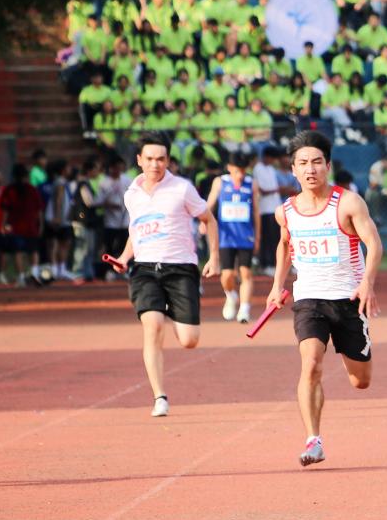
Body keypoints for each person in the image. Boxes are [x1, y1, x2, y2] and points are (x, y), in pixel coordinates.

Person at [266, 130, 383, 466]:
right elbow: (284, 244)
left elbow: (374, 244)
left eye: (317, 162)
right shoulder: (286, 211)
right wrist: (276, 285)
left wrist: (368, 283)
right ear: (293, 169)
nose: (310, 169)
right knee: (311, 364)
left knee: (360, 381)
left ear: (328, 165)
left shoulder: (348, 203)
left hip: (348, 299)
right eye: (303, 163)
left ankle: (350, 353)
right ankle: (313, 439)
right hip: (309, 300)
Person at [114, 131, 221, 417]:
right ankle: (159, 397)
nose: (155, 164)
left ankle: (173, 308)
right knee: (153, 326)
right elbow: (136, 230)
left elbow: (208, 220)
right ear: (139, 160)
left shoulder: (182, 189)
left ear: (168, 160)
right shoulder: (132, 194)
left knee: (189, 340)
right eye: (149, 158)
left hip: (181, 268)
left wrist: (214, 258)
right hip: (145, 269)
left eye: (161, 159)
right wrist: (124, 257)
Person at [206, 152, 260, 324]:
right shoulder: (220, 182)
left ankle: (244, 309)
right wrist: (203, 220)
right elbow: (209, 205)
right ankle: (230, 295)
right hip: (226, 236)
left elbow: (256, 211)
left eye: (243, 171)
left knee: (246, 272)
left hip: (246, 235)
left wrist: (258, 236)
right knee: (227, 275)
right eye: (237, 171)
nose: (240, 175)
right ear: (229, 168)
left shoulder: (251, 183)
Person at [254, 147, 283, 275]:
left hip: (275, 207)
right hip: (264, 209)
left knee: (275, 237)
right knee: (266, 238)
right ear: (266, 156)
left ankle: (273, 263)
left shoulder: (271, 169)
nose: (273, 161)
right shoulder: (258, 168)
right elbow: (261, 190)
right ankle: (265, 264)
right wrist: (277, 190)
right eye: (272, 158)